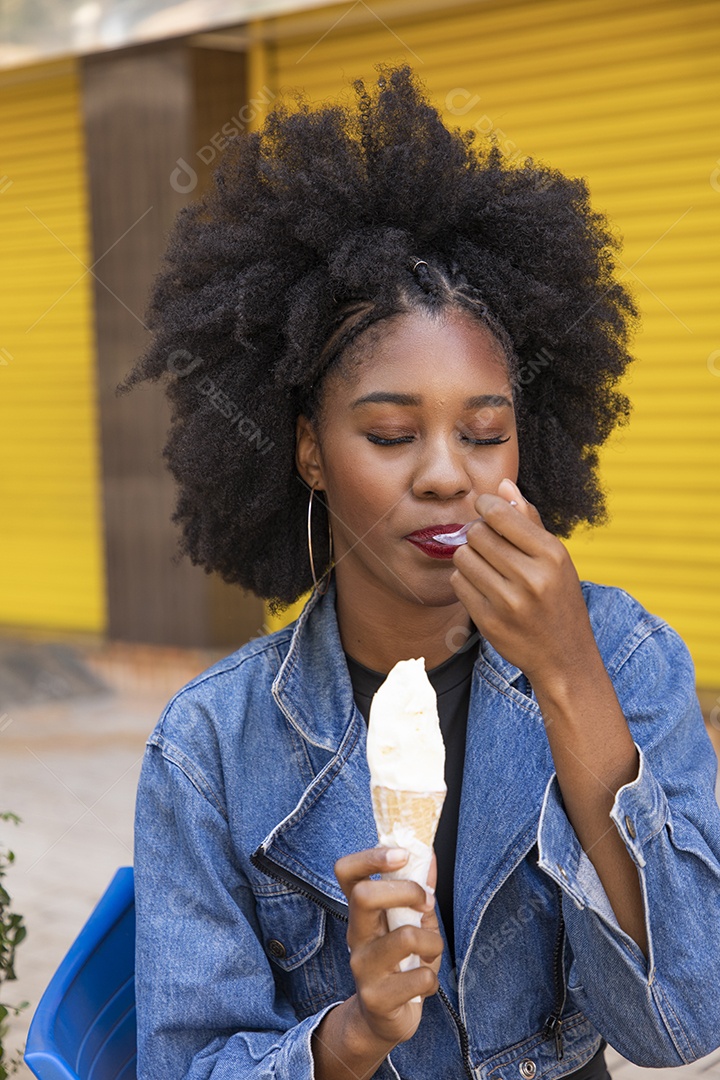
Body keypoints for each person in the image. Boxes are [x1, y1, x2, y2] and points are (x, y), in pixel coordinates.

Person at [121, 64, 720, 1080]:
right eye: (392, 433)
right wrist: (350, 1036)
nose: (447, 474)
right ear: (308, 449)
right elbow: (187, 1063)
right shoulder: (210, 747)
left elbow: (683, 1023)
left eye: (485, 433)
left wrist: (570, 678)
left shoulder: (622, 657)